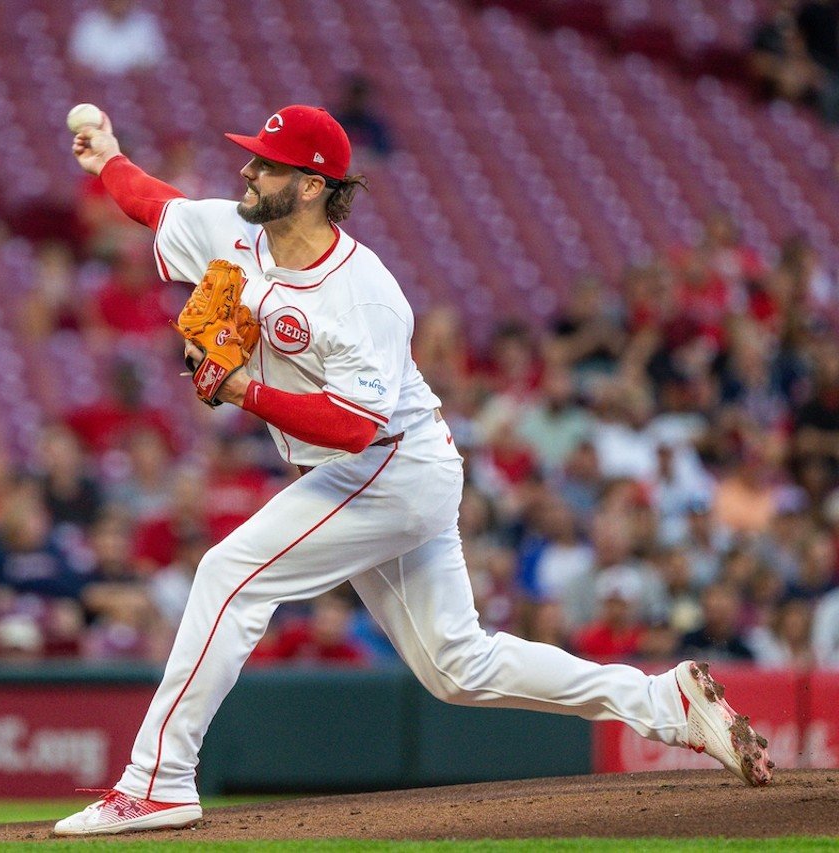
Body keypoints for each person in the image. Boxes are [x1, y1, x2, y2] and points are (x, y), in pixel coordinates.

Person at [54, 104, 774, 836]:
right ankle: (665, 703)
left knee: (229, 574)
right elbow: (155, 204)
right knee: (456, 666)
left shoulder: (363, 293)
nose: (247, 168)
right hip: (376, 470)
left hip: (388, 463)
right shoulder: (236, 231)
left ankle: (158, 782)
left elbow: (355, 427)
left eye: (266, 163)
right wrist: (109, 156)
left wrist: (244, 390)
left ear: (310, 185)